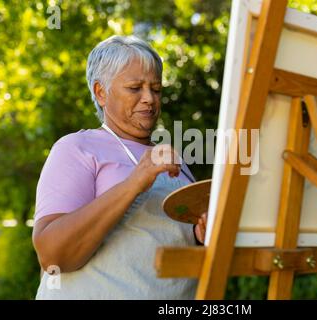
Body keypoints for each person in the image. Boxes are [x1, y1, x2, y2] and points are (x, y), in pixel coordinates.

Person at [32, 35, 207, 299]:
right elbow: (53, 257)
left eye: (156, 89)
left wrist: (199, 234)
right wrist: (134, 182)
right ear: (101, 93)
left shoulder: (176, 163)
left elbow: (166, 242)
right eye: (135, 88)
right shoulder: (77, 148)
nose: (149, 98)